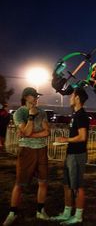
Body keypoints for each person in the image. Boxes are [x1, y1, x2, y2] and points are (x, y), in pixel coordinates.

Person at [3, 87, 50, 226]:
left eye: (37, 96)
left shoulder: (42, 112)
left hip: (41, 149)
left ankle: (40, 211)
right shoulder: (19, 113)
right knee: (20, 183)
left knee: (43, 181)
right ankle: (13, 213)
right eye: (34, 96)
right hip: (27, 151)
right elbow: (26, 129)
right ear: (26, 97)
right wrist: (30, 116)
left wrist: (28, 134)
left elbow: (47, 132)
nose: (37, 98)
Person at [51, 88, 90, 225]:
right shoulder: (75, 114)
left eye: (72, 95)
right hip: (71, 153)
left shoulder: (81, 115)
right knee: (67, 185)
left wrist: (65, 140)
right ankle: (67, 212)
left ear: (77, 98)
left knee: (77, 186)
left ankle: (78, 216)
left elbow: (82, 137)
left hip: (77, 155)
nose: (69, 98)